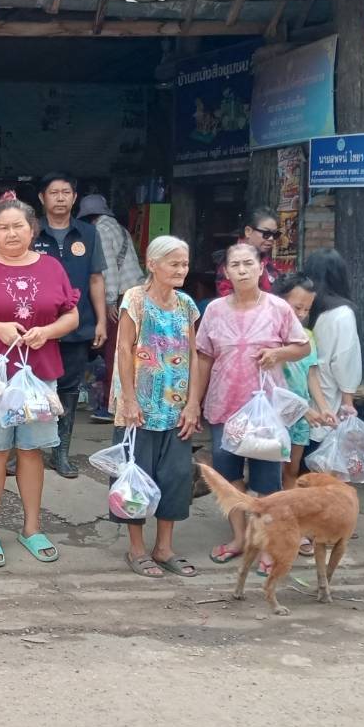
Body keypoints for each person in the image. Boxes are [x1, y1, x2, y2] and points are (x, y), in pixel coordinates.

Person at [0, 197, 79, 568]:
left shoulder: (52, 267)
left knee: (31, 450)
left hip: (38, 375)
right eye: (3, 227)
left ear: (32, 229)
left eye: (18, 226)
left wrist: (48, 331)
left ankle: (32, 528)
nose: (11, 234)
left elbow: (71, 316)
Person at [191, 242, 309, 568]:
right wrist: (193, 403)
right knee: (228, 476)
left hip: (266, 412)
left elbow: (302, 347)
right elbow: (203, 357)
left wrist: (278, 353)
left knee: (267, 482)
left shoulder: (278, 308)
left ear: (261, 268)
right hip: (224, 406)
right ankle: (240, 538)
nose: (242, 270)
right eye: (235, 265)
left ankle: (266, 544)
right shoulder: (214, 310)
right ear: (226, 272)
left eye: (248, 264)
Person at [109, 235, 203, 578]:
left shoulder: (187, 305)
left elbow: (193, 355)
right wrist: (129, 399)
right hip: (139, 407)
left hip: (175, 407)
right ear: (152, 264)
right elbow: (124, 349)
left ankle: (164, 547)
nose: (181, 270)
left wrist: (193, 403)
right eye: (174, 263)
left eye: (185, 264)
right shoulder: (135, 299)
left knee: (175, 476)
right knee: (136, 476)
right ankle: (136, 549)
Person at [32, 173, 106, 478]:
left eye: (66, 192)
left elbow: (96, 279)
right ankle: (27, 450)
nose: (60, 198)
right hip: (35, 328)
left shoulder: (88, 233)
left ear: (75, 198)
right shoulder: (31, 230)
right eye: (54, 192)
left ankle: (60, 452)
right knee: (31, 387)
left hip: (78, 325)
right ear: (42, 198)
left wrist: (101, 320)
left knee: (69, 389)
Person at [269, 272, 335, 493]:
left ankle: (289, 508)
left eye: (307, 309)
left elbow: (311, 375)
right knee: (271, 470)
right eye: (297, 307)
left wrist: (324, 408)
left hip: (301, 415)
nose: (302, 314)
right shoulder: (270, 336)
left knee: (292, 469)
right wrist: (304, 409)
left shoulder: (307, 336)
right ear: (279, 301)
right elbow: (272, 381)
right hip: (275, 414)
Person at [78, 193, 141, 424]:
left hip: (122, 296)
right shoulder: (119, 228)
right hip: (134, 292)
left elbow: (108, 270)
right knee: (128, 350)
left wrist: (111, 301)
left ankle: (111, 405)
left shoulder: (100, 231)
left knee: (116, 351)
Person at [302, 248, 362, 454]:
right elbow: (345, 362)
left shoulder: (303, 309)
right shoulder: (341, 314)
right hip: (328, 405)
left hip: (303, 402)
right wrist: (348, 403)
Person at [214, 208, 278, 296]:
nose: (271, 238)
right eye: (266, 233)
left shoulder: (265, 258)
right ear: (248, 231)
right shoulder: (231, 259)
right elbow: (227, 296)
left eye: (275, 234)